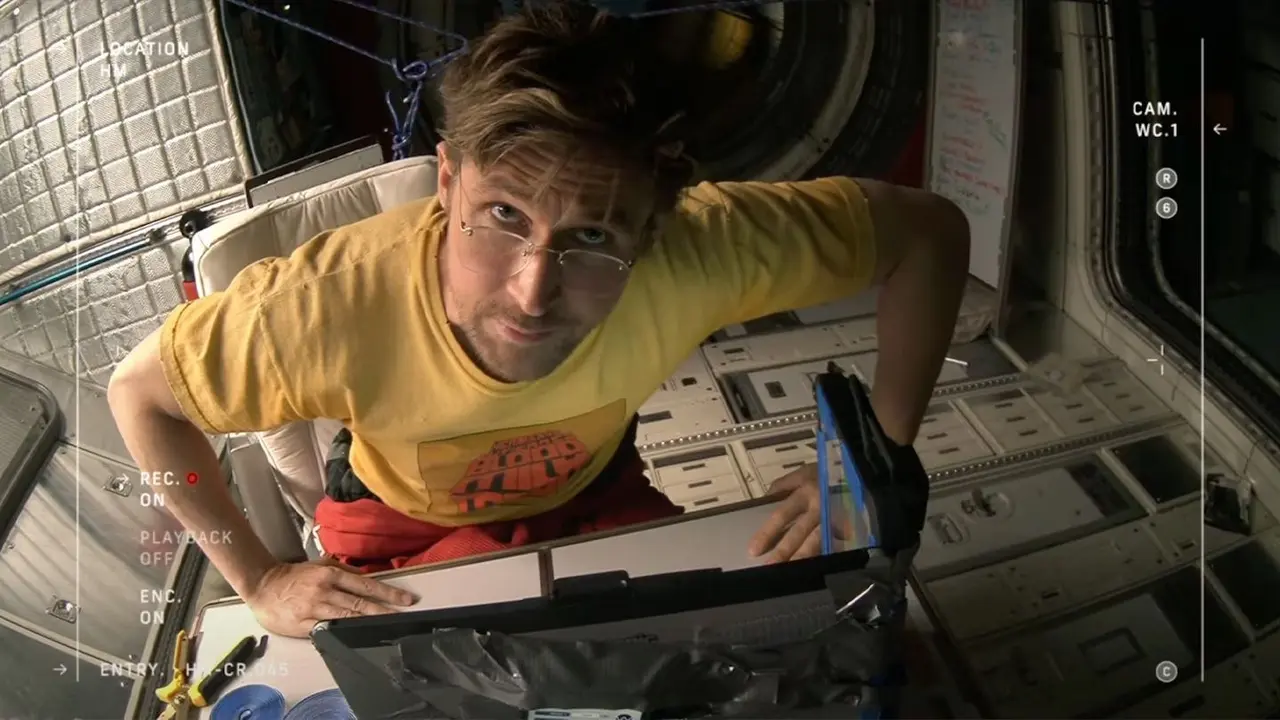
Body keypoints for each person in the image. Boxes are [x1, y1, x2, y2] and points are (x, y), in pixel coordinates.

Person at [108, 2, 969, 639]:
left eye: (592, 237)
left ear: (653, 228)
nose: (531, 294)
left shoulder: (699, 248)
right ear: (448, 182)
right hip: (398, 522)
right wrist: (259, 580)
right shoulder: (324, 307)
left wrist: (873, 455)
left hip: (590, 491)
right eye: (504, 215)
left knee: (724, 640)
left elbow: (927, 234)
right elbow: (139, 398)